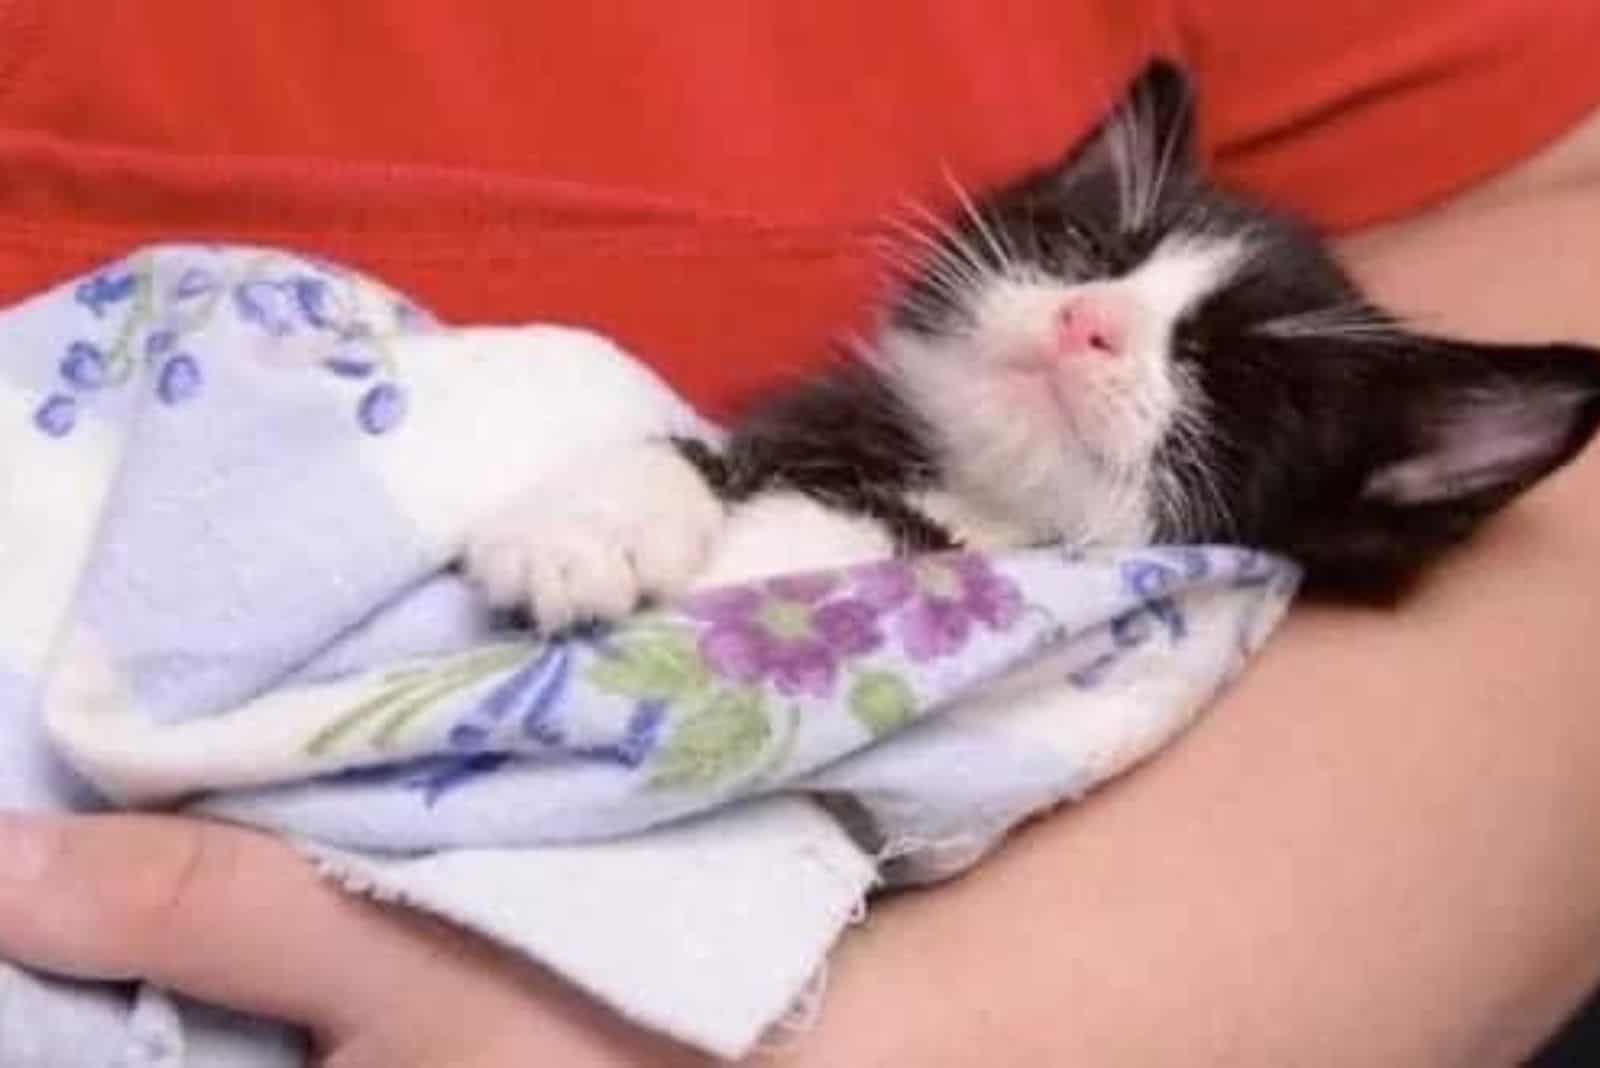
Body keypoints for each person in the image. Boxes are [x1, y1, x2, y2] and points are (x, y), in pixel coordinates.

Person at [3, 3, 1600, 1063]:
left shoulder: (1134, 603)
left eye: (1226, 378)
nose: (1101, 325)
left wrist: (883, 1028)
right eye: (1087, 249)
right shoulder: (729, 467)